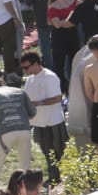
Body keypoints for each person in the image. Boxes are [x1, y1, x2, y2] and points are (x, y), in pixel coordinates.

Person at [21, 50, 68, 183]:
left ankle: (59, 178)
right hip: (39, 122)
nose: (25, 70)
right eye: (23, 68)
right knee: (47, 152)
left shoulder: (50, 77)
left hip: (52, 122)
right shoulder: (30, 79)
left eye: (26, 67)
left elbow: (58, 98)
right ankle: (54, 177)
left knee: (56, 152)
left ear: (36, 64)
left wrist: (39, 103)